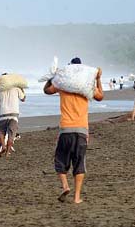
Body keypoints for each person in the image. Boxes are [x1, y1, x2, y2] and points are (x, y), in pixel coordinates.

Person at [44, 57, 103, 204]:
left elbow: (47, 90)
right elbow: (100, 97)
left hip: (66, 129)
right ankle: (77, 197)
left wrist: (52, 76)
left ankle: (65, 186)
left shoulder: (63, 84)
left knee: (60, 161)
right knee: (79, 163)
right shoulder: (87, 85)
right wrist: (98, 79)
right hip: (82, 129)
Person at [0, 75, 26, 158]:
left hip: (3, 114)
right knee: (11, 135)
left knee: (1, 132)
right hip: (14, 115)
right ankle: (7, 153)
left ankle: (3, 147)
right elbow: (23, 99)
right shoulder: (16, 88)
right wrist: (22, 89)